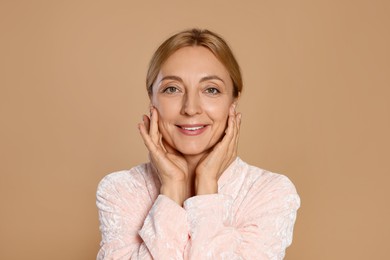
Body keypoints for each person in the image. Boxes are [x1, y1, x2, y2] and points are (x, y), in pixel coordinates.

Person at [96, 28, 300, 259]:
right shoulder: (120, 190)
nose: (191, 108)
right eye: (172, 89)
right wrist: (172, 187)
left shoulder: (270, 193)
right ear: (151, 99)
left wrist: (207, 188)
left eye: (211, 90)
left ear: (233, 101)